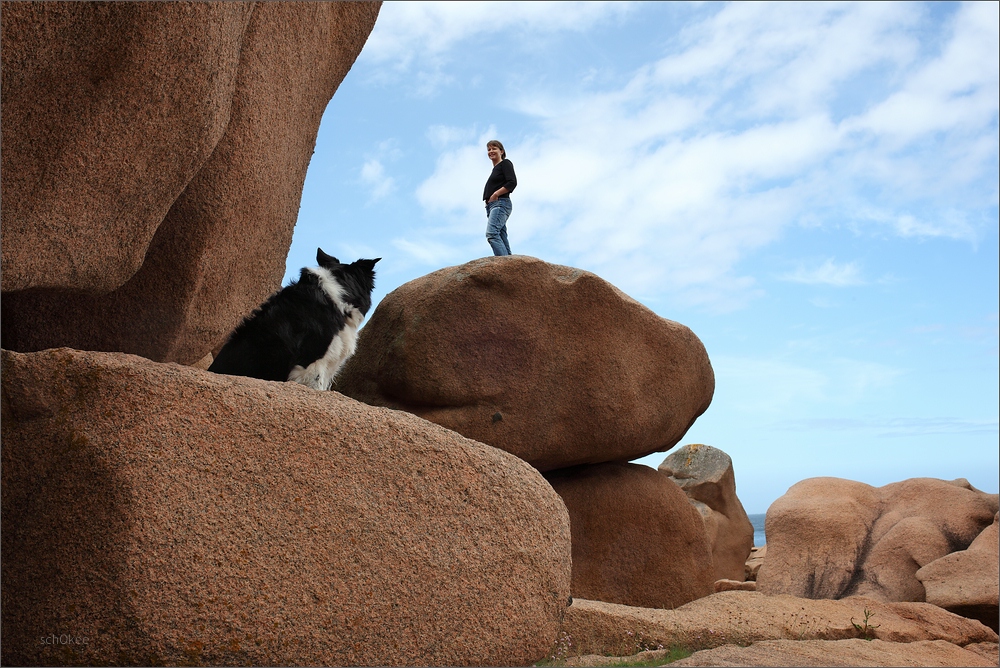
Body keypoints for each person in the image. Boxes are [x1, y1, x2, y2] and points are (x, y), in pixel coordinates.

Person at [483, 139, 517, 256]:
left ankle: (503, 265)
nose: (491, 151)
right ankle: (510, 264)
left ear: (501, 151)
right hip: (493, 206)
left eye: (494, 148)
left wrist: (496, 194)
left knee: (492, 234)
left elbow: (512, 182)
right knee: (501, 236)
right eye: (489, 149)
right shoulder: (495, 170)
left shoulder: (505, 163)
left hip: (500, 203)